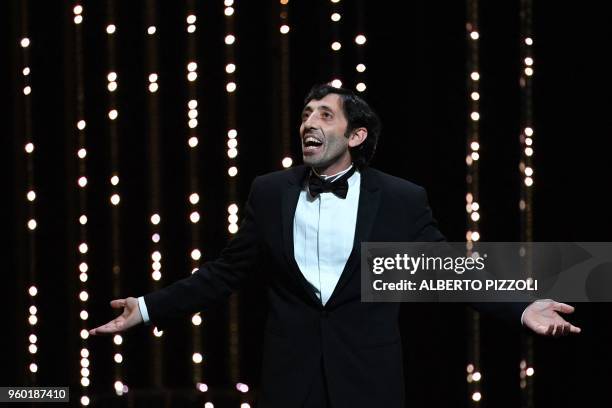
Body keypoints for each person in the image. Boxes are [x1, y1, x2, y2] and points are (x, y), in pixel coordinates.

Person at [90, 84, 581, 407]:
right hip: (290, 381)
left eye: (325, 115)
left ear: (356, 134)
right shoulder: (270, 191)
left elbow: (450, 268)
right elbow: (224, 273)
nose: (309, 123)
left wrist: (521, 307)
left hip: (368, 380)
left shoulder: (399, 199)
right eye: (306, 114)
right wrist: (148, 308)